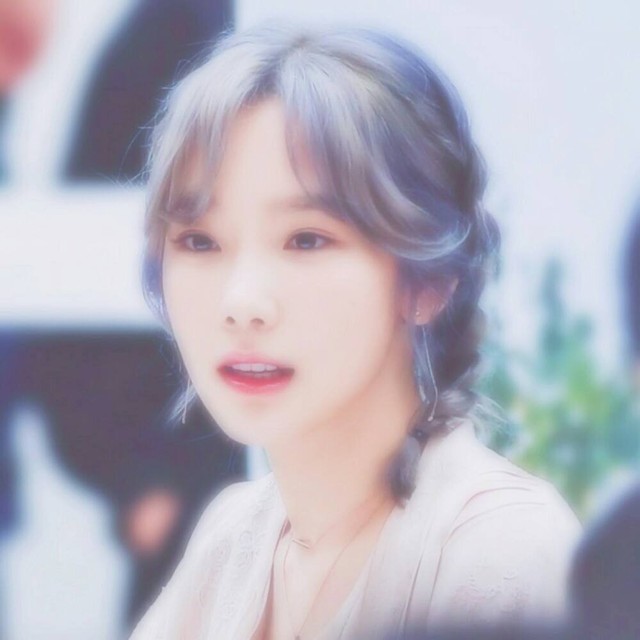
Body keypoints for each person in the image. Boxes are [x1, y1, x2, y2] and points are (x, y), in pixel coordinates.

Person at [129, 25, 581, 640]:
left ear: (428, 280)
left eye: (306, 240)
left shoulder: (501, 551)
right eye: (199, 241)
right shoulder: (230, 539)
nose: (241, 303)